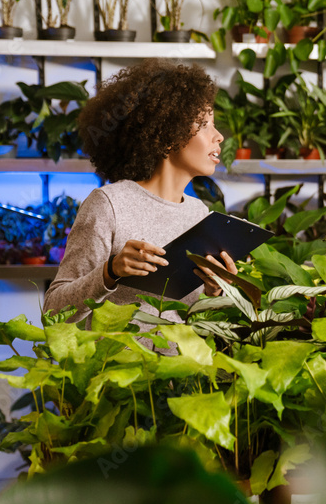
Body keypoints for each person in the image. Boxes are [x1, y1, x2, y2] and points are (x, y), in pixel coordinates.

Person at [45, 58, 237, 326]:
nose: (219, 137)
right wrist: (110, 272)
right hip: (115, 366)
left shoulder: (199, 214)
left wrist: (214, 291)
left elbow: (194, 322)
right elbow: (53, 314)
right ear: (168, 134)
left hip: (184, 367)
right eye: (204, 124)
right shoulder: (109, 205)